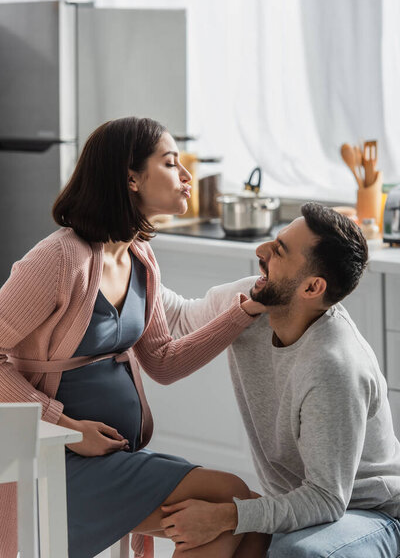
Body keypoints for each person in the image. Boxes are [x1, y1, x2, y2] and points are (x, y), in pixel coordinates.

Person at [0, 116, 271, 558]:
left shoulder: (140, 257)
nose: (187, 176)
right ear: (131, 177)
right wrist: (66, 428)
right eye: (170, 163)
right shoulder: (59, 259)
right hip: (52, 460)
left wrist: (244, 312)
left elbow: (162, 361)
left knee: (245, 518)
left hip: (107, 460)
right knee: (235, 505)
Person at [160, 203, 400, 557]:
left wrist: (228, 516)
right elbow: (179, 317)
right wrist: (124, 247)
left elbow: (326, 499)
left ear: (312, 287)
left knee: (300, 552)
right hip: (301, 500)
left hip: (368, 512)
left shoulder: (333, 365)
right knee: (210, 533)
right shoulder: (253, 299)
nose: (261, 252)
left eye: (279, 252)